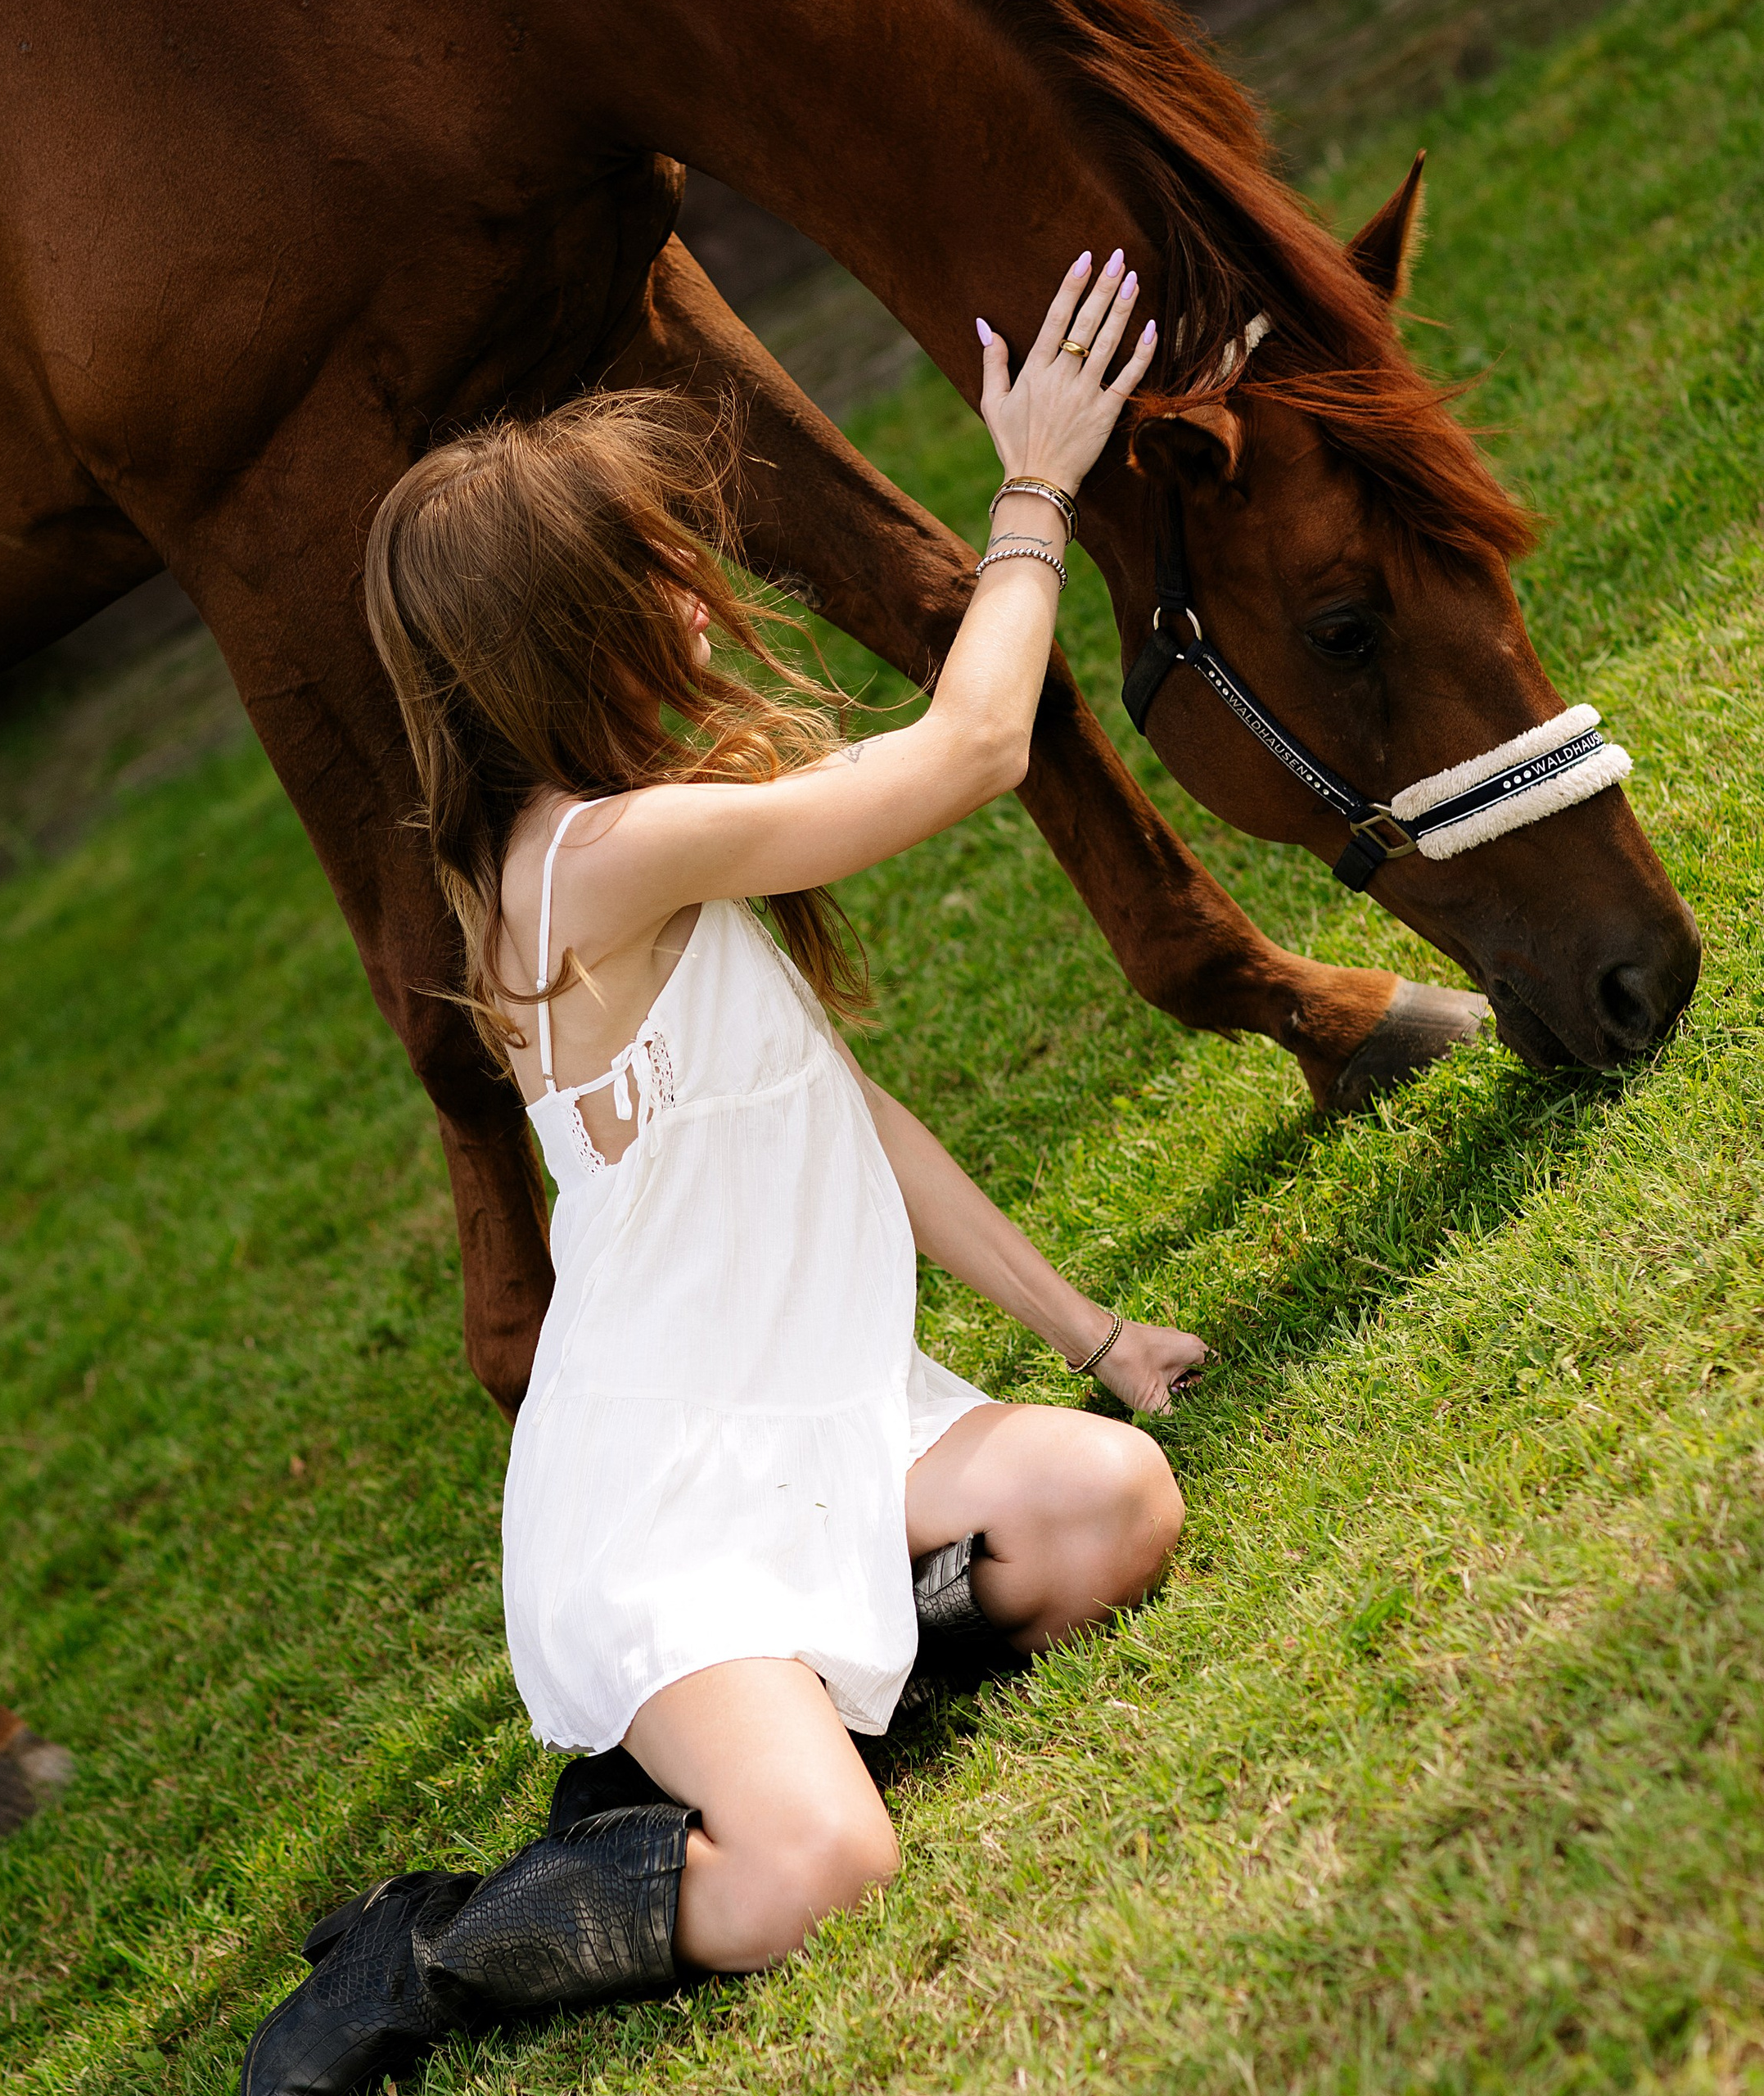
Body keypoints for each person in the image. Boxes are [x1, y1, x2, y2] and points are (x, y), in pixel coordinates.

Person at [241, 250, 1204, 2096]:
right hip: (661, 1500)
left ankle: (794, 1698)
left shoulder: (619, 850)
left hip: (818, 1424)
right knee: (822, 1868)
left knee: (1111, 1504)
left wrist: (1092, 1335)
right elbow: (974, 744)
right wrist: (1030, 488)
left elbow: (843, 1116)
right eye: (652, 572)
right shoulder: (587, 859)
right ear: (560, 635)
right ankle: (436, 1931)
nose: (700, 588)